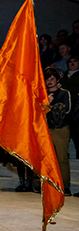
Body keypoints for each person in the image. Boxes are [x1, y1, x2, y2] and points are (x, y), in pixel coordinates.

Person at [45, 68, 72, 196]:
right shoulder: (42, 94)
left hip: (60, 129)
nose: (49, 81)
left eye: (52, 79)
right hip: (45, 129)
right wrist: (45, 103)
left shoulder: (64, 93)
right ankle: (48, 185)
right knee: (46, 159)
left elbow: (65, 110)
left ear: (57, 80)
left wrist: (48, 105)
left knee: (62, 158)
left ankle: (65, 187)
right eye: (47, 79)